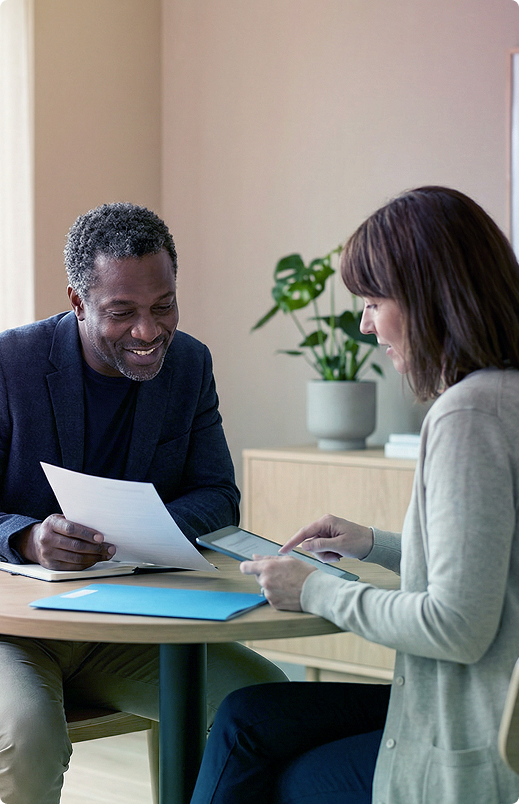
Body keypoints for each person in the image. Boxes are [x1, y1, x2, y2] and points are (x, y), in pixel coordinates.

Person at [189, 186, 519, 804]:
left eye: (372, 302)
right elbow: (495, 566)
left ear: (429, 300)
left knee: (279, 773)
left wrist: (315, 588)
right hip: (481, 702)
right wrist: (374, 544)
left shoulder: (467, 415)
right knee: (246, 718)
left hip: (470, 740)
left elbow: (455, 627)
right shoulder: (505, 397)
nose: (365, 325)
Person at [0, 202, 285, 804]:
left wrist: (148, 530)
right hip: (15, 629)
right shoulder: (10, 364)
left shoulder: (190, 364)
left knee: (263, 707)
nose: (149, 332)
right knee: (26, 736)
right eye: (122, 312)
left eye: (164, 307)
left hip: (133, 621)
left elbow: (217, 494)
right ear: (77, 302)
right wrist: (26, 537)